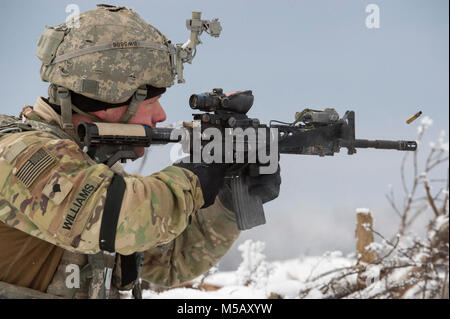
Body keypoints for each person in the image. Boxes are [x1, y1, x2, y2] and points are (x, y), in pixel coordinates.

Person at [0, 4, 281, 299]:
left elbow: (171, 262)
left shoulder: (91, 166)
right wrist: (195, 179)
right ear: (111, 98)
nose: (160, 116)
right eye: (150, 102)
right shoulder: (16, 155)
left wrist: (228, 200)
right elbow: (117, 219)